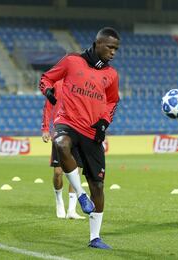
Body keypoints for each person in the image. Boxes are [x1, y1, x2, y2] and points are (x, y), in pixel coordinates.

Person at [39, 27, 120, 249]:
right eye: (110, 47)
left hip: (93, 131)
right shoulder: (72, 61)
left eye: (116, 49)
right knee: (60, 143)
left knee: (99, 186)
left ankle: (95, 237)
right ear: (98, 43)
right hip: (68, 122)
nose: (113, 52)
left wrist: (104, 122)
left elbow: (112, 101)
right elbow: (46, 78)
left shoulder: (111, 75)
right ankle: (81, 195)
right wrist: (48, 91)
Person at [41, 80, 85, 220]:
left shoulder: (83, 84)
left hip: (79, 131)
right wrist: (45, 129)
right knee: (58, 172)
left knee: (76, 171)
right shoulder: (57, 84)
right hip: (61, 131)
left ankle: (71, 210)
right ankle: (59, 199)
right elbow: (48, 106)